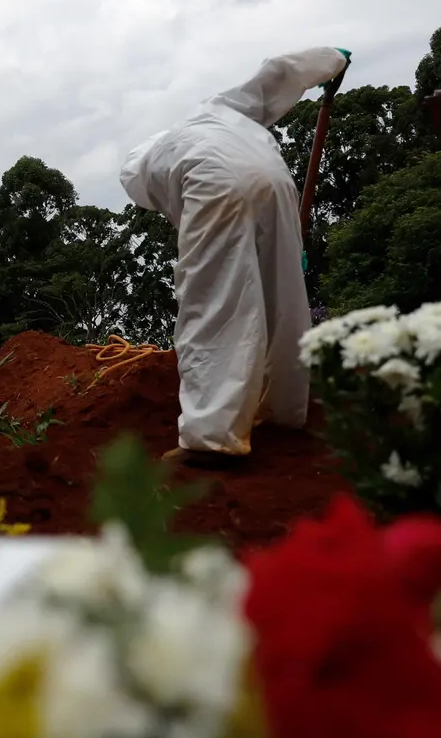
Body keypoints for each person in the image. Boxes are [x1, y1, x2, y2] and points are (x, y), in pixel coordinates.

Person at [120, 46, 352, 468]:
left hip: (216, 181)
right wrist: (328, 59)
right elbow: (275, 75)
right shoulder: (214, 113)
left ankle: (210, 437)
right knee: (284, 298)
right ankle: (284, 410)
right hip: (275, 178)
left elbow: (209, 252)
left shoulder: (151, 167)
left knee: (213, 302)